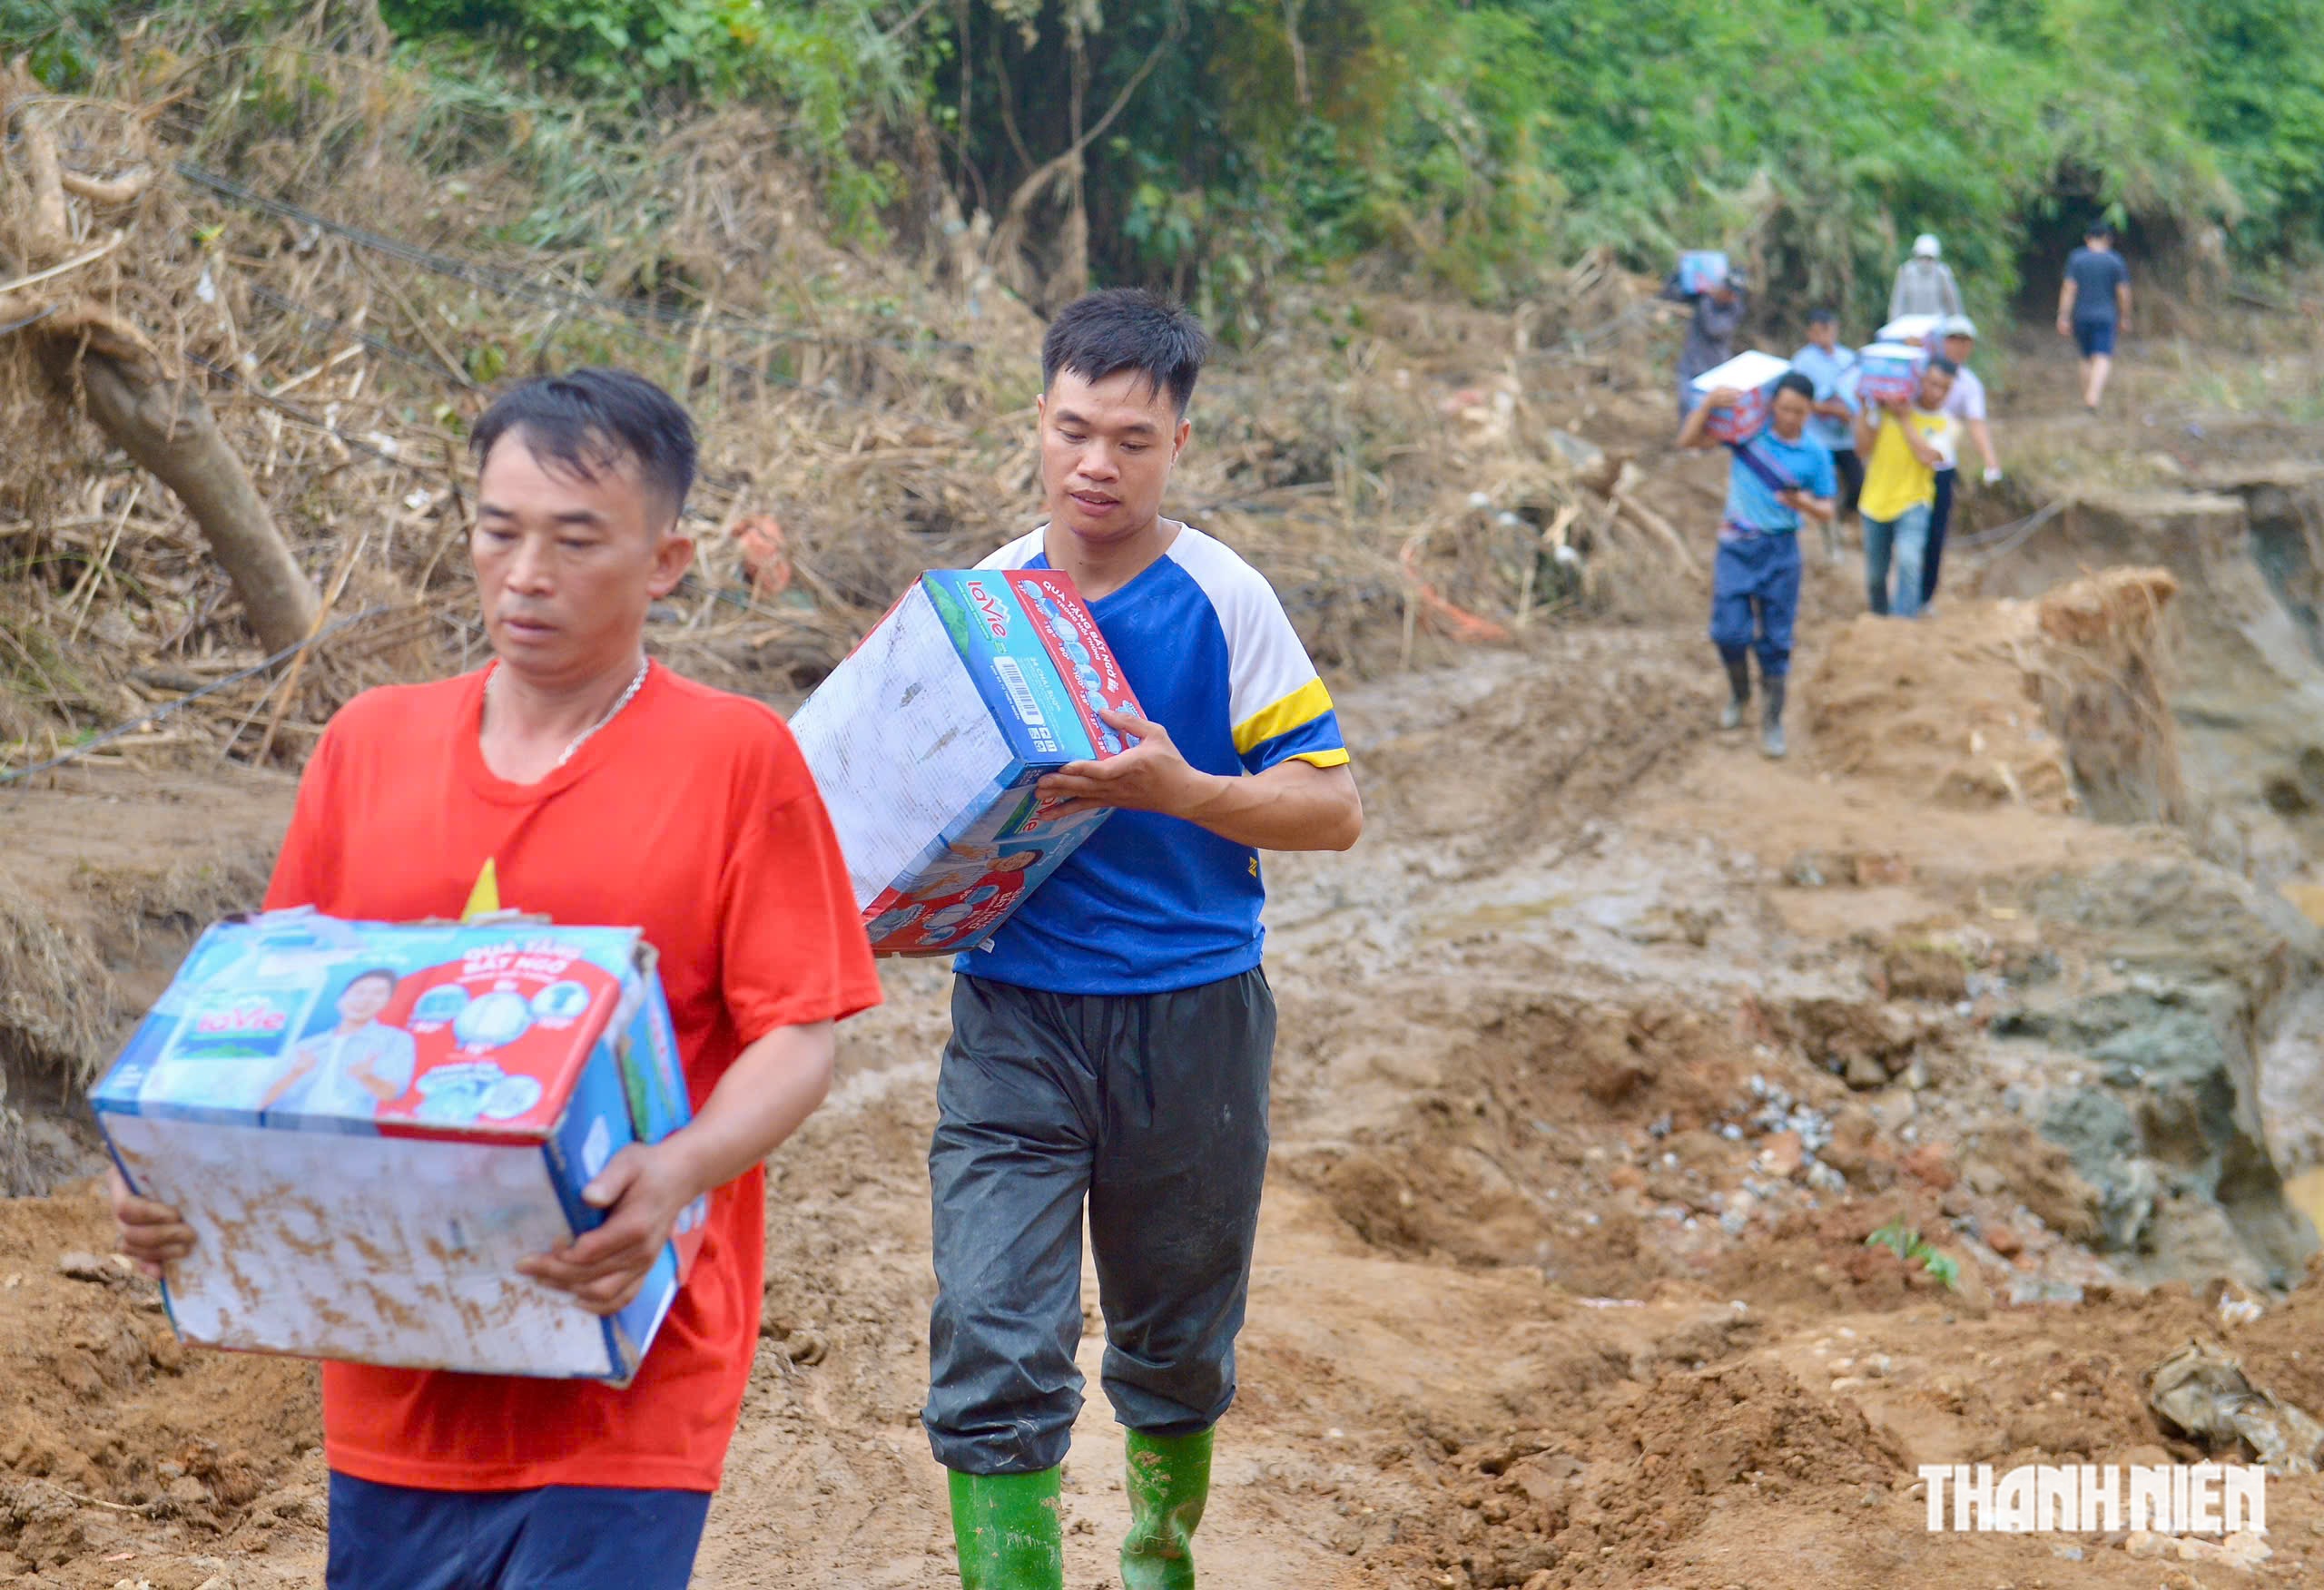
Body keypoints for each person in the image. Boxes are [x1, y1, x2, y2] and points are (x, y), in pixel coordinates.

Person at [109, 368, 883, 1589]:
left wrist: (675, 1171)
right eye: (498, 529)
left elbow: (799, 1036)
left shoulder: (737, 759)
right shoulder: (369, 745)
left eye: (576, 541)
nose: (526, 574)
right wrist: (186, 1192)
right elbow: (273, 1040)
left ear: (668, 560)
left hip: (630, 1362)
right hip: (398, 1377)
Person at [925, 289, 1363, 1590]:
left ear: (1182, 441)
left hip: (1194, 1018)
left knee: (1175, 1345)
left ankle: (1157, 1563)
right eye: (1072, 431)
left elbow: (1334, 807)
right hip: (1013, 1019)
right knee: (994, 1334)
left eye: (1130, 438)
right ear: (1038, 424)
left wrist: (1188, 793)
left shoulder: (1224, 599)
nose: (1094, 464)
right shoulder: (989, 603)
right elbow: (917, 809)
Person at [1677, 371, 1837, 761]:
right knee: (1727, 632)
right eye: (1783, 409)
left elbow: (1828, 510)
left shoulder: (1816, 454)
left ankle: (1772, 722)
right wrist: (1708, 404)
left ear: (1810, 411)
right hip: (1736, 546)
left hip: (1782, 552)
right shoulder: (1748, 434)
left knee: (1777, 641)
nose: (1790, 417)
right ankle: (1740, 693)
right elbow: (1688, 441)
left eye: (1799, 411)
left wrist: (1803, 504)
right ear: (1771, 405)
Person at [1854, 359, 1960, 620]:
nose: (1936, 392)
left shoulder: (1949, 425)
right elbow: (1861, 449)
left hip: (1915, 500)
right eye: (1933, 383)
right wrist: (1865, 408)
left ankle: (1903, 624)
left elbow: (1927, 456)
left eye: (1944, 388)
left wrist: (1904, 418)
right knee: (1876, 575)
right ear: (1920, 380)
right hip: (1874, 499)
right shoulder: (1886, 410)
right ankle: (1880, 620)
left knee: (1909, 562)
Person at [259, 967, 417, 1124]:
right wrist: (295, 1073)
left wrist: (367, 1077)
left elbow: (391, 1094)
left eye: (377, 994)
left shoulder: (395, 1039)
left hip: (350, 1134)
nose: (365, 1000)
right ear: (340, 1000)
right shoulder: (308, 1046)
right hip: (288, 1130)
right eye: (359, 992)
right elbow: (261, 1101)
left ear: (386, 1002)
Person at [1920, 315, 2003, 608]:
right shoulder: (1919, 371)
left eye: (1964, 341)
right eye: (1953, 339)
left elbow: (1976, 423)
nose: (1958, 346)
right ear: (1942, 342)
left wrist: (1990, 460)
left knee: (1935, 533)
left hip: (1942, 466)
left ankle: (1924, 596)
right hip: (1912, 462)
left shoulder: (1969, 385)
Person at [1789, 309, 1862, 564]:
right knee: (1824, 489)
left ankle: (1840, 521)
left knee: (1858, 485)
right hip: (1818, 439)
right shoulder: (1803, 361)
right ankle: (1831, 543)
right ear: (1810, 333)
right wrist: (1832, 409)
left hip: (1846, 438)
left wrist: (1851, 411)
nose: (1824, 336)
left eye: (1828, 330)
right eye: (1818, 331)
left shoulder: (1849, 358)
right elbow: (1801, 397)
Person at [2060, 221, 2132, 412]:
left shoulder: (2076, 259)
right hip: (2106, 316)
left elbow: (2069, 288)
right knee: (2102, 357)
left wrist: (2063, 316)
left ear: (2087, 239)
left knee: (2085, 357)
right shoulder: (2115, 261)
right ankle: (2093, 397)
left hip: (2081, 315)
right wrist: (2125, 316)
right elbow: (2123, 292)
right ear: (2108, 239)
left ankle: (2087, 397)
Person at [1661, 262, 1748, 420]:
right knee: (1686, 405)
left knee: (1711, 413)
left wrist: (1706, 297)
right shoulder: (1703, 297)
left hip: (1714, 368)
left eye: (1733, 293)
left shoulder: (1734, 309)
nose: (1729, 295)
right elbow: (1668, 294)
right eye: (1727, 290)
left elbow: (1713, 329)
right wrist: (1681, 273)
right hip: (1691, 363)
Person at [1889, 234, 1964, 322]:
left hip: (1937, 324)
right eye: (1922, 257)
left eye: (1929, 258)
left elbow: (1953, 303)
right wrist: (1894, 324)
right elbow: (1897, 303)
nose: (1925, 262)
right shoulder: (1906, 272)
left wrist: (1957, 323)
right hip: (1911, 325)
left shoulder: (1942, 273)